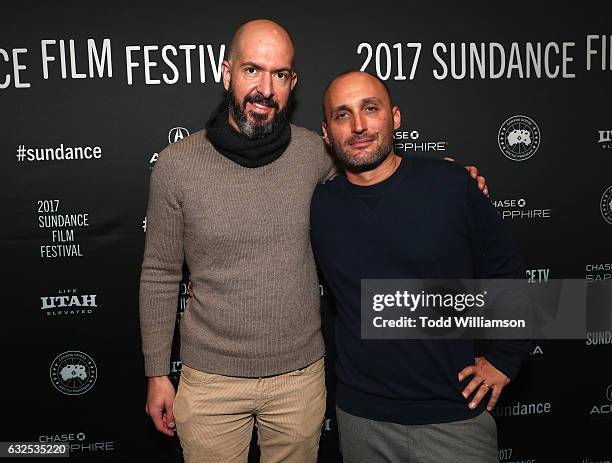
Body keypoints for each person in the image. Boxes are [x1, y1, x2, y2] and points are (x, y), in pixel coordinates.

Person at [139, 20, 488, 463]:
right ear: (226, 73)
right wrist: (156, 373)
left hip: (300, 381)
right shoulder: (177, 165)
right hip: (210, 382)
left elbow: (378, 171)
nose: (265, 88)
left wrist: (448, 181)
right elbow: (160, 274)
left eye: (280, 75)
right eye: (252, 70)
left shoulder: (317, 154)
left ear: (292, 84)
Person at [309, 71, 530, 463]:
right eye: (343, 115)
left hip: (454, 417)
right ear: (327, 133)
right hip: (362, 420)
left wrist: (504, 359)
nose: (358, 126)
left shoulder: (450, 184)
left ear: (395, 117)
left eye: (370, 109)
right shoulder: (320, 205)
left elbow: (507, 271)